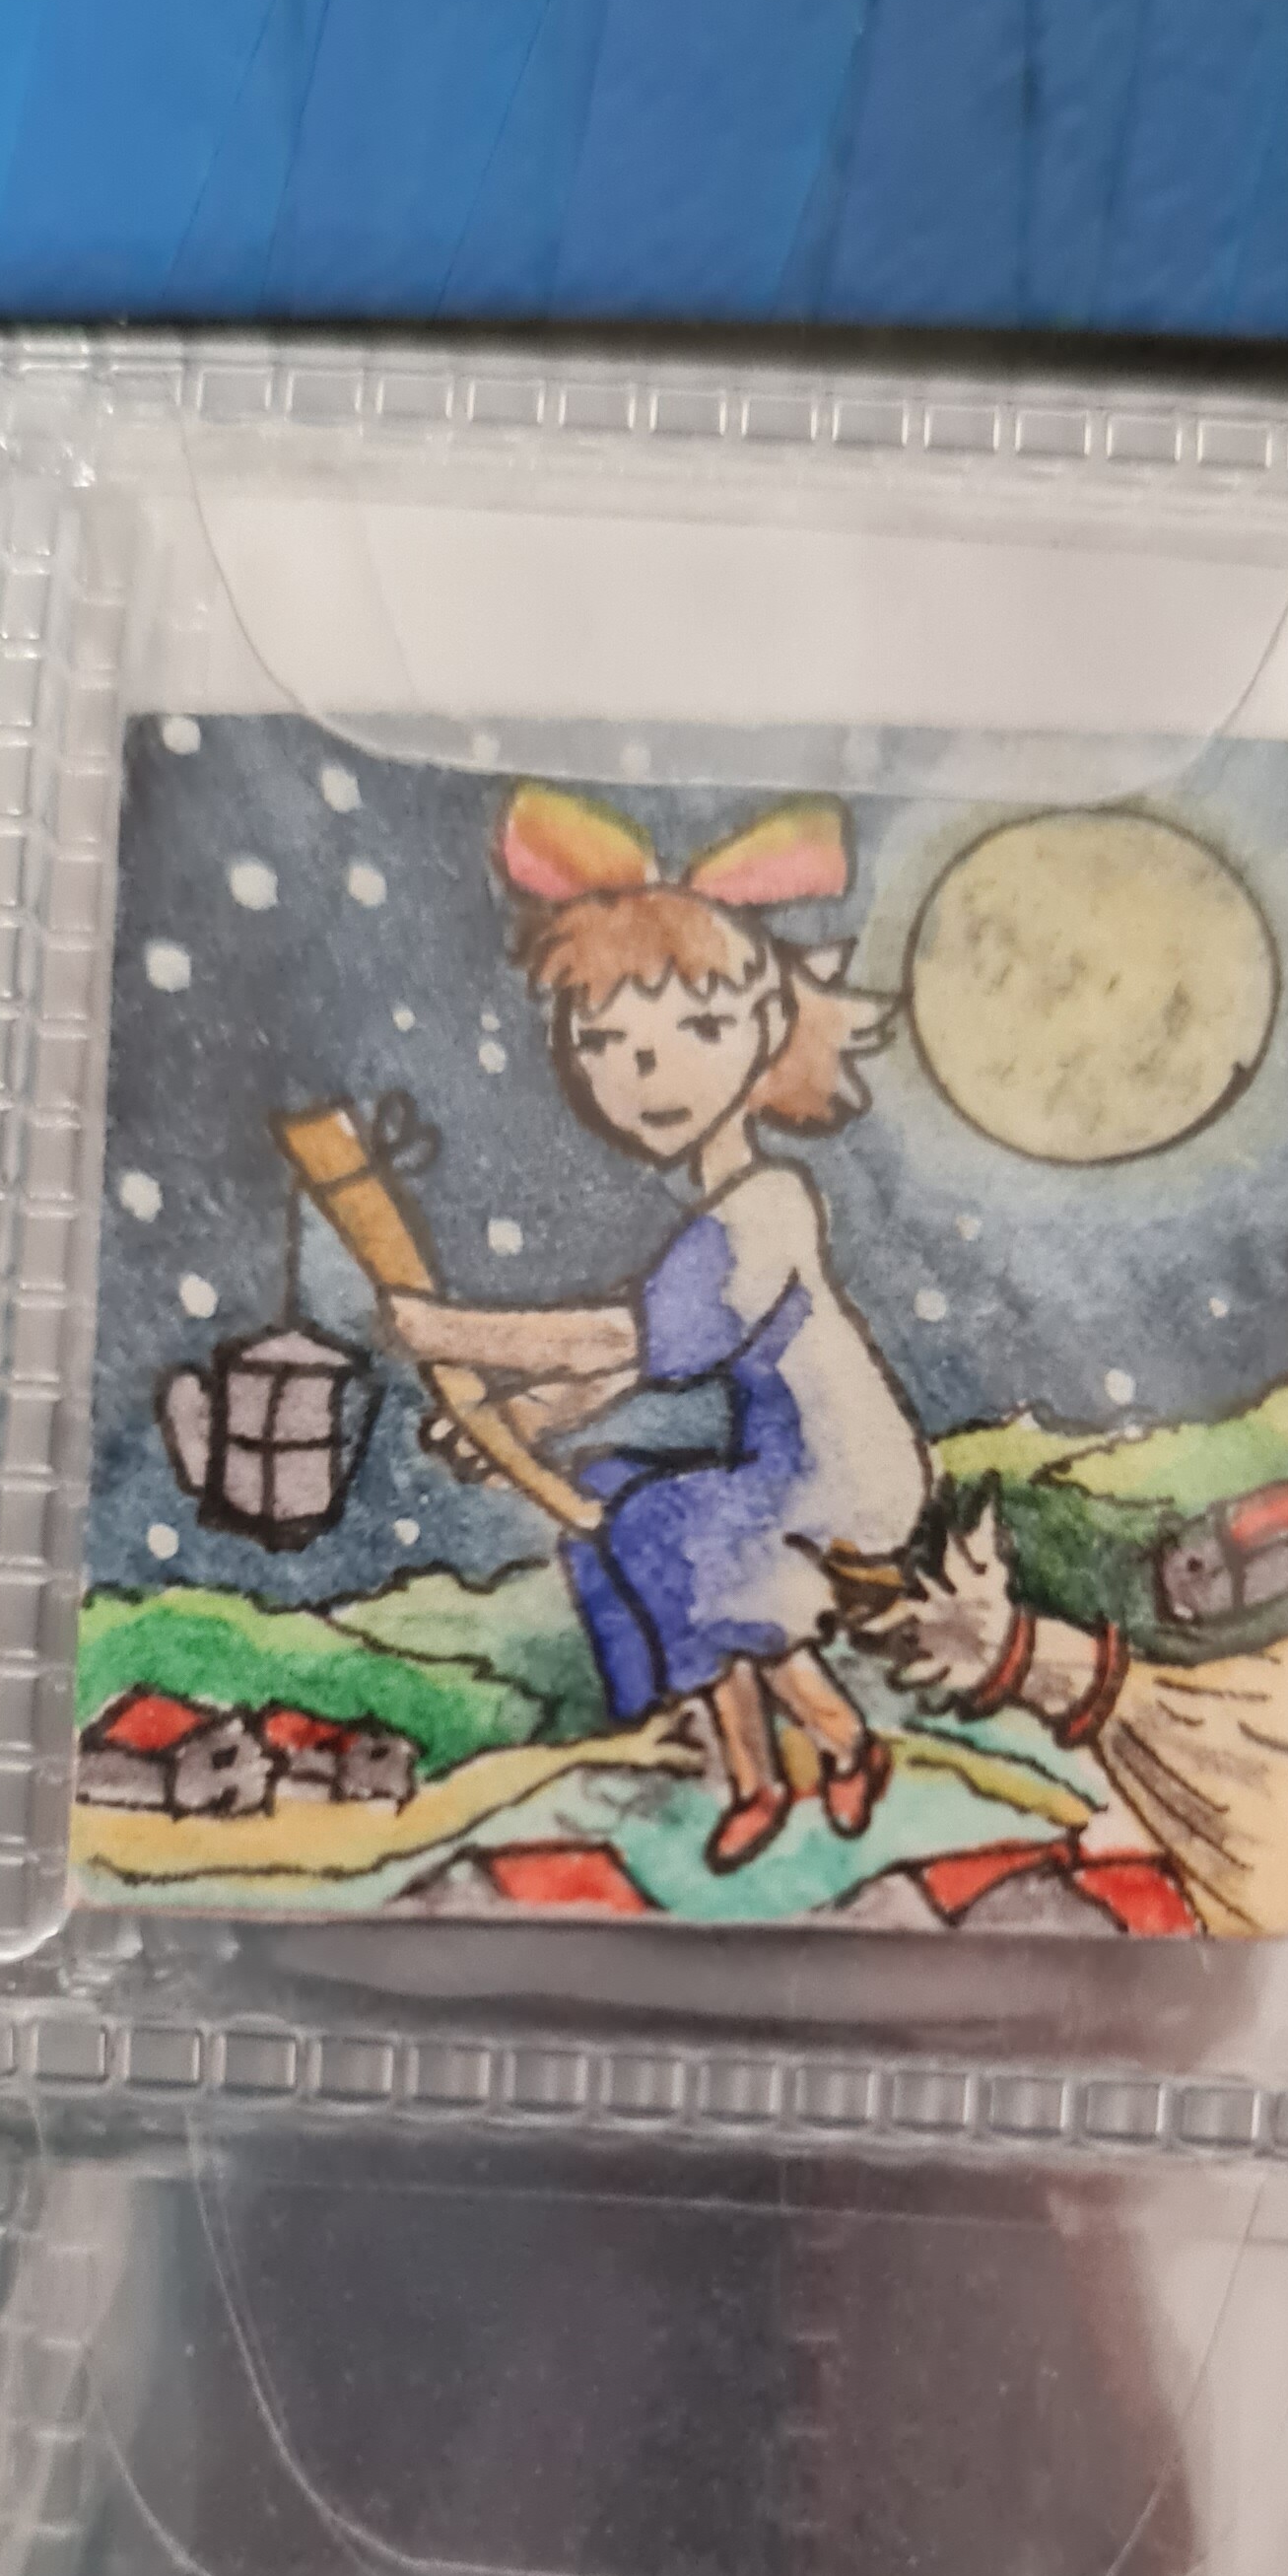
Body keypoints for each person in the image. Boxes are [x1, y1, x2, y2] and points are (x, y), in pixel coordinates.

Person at [384, 785, 928, 1875]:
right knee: (612, 1513)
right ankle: (752, 1770)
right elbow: (633, 1367)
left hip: (849, 1479)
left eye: (699, 1028)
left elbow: (622, 1342)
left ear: (770, 1023)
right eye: (605, 1040)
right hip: (780, 1468)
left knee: (680, 1531)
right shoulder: (721, 1213)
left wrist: (446, 1332)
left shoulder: (766, 1208)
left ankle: (839, 1739)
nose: (646, 1072)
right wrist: (516, 1423)